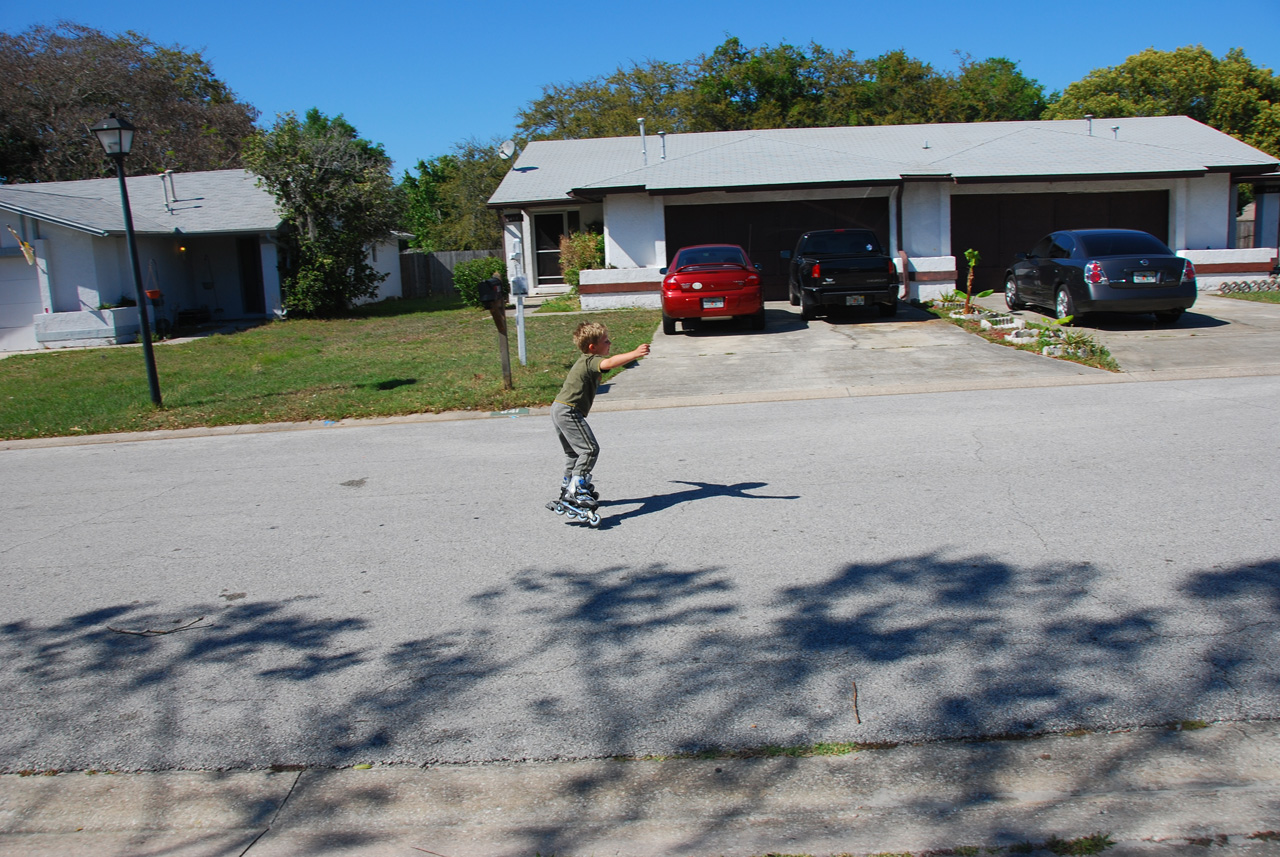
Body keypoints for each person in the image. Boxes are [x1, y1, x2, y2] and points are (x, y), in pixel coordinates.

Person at [550, 321, 650, 513]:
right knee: (590, 449)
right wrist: (636, 353)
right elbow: (610, 362)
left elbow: (610, 364)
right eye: (606, 341)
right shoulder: (591, 360)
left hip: (558, 408)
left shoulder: (586, 361)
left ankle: (567, 488)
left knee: (573, 453)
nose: (610, 343)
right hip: (569, 410)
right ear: (592, 347)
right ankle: (578, 488)